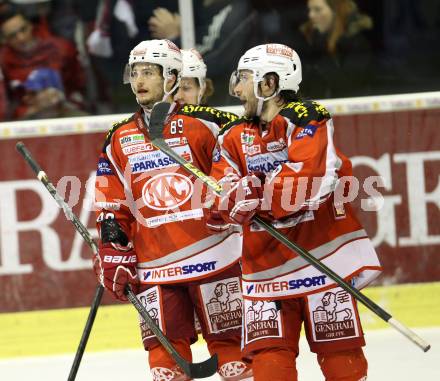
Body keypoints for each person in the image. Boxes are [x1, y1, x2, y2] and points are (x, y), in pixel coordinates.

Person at [206, 43, 382, 380]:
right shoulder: (231, 136)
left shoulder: (308, 117)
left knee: (341, 359)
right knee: (270, 360)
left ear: (269, 83)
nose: (238, 89)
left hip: (322, 259)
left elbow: (312, 179)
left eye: (244, 79)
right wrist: (230, 200)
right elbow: (215, 197)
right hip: (265, 267)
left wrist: (256, 188)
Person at [93, 39, 252, 381]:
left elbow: (236, 170)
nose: (139, 81)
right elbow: (111, 201)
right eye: (134, 72)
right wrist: (112, 245)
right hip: (155, 267)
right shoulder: (117, 137)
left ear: (172, 77)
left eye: (148, 72)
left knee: (234, 360)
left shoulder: (211, 123)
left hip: (215, 257)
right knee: (165, 365)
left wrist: (227, 197)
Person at [0, 6, 86, 119]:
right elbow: (6, 102)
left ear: (31, 25)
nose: (20, 38)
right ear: (4, 39)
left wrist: (60, 97)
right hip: (27, 117)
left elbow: (78, 84)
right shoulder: (3, 60)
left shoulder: (62, 49)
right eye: (12, 36)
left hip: (64, 110)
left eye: (23, 29)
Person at [297, 0, 373, 98]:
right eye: (310, 10)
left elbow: (349, 86)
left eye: (317, 9)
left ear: (335, 12)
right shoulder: (311, 39)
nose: (311, 15)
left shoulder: (357, 43)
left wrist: (320, 49)